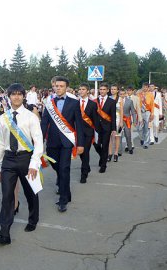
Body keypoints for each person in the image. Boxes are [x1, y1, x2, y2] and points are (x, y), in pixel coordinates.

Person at [0, 83, 43, 246]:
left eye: (19, 94)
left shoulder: (31, 117)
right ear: (9, 97)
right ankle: (4, 232)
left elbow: (38, 143)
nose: (16, 97)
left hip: (26, 159)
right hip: (8, 160)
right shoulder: (3, 118)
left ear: (23, 96)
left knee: (30, 192)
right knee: (7, 196)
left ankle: (33, 219)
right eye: (13, 94)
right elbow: (0, 144)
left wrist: (34, 164)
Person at [41, 76, 84, 212]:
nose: (58, 88)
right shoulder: (49, 102)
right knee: (56, 165)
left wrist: (80, 144)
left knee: (64, 168)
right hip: (52, 141)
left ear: (67, 88)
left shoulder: (74, 102)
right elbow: (44, 122)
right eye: (56, 86)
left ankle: (63, 199)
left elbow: (79, 125)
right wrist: (39, 140)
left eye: (61, 86)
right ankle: (65, 187)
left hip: (67, 142)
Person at [93, 83, 116, 173]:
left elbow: (113, 116)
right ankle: (103, 157)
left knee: (105, 146)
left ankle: (103, 165)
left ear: (107, 90)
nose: (102, 91)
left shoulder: (112, 102)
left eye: (104, 89)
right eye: (100, 89)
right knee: (96, 145)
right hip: (96, 127)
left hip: (107, 127)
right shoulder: (95, 101)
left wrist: (114, 129)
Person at [78, 83, 99, 183]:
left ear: (87, 91)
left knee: (85, 152)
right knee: (80, 152)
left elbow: (95, 120)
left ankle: (84, 174)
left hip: (88, 132)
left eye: (83, 89)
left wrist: (98, 132)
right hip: (77, 132)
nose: (81, 91)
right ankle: (87, 166)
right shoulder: (75, 103)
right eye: (80, 89)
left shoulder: (93, 104)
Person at [107, 84, 123, 162]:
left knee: (117, 137)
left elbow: (121, 111)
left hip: (117, 119)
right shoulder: (108, 98)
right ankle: (110, 153)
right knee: (110, 137)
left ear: (117, 90)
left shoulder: (120, 99)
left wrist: (121, 122)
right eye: (111, 89)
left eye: (114, 89)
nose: (112, 90)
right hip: (109, 120)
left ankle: (116, 153)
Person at [119, 88, 136, 155]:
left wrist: (134, 120)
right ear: (119, 94)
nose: (122, 95)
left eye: (123, 94)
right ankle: (119, 151)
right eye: (121, 94)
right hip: (119, 120)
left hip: (127, 120)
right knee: (119, 136)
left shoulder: (129, 101)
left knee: (128, 135)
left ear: (125, 94)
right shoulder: (116, 101)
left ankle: (130, 148)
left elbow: (133, 112)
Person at [137, 82, 155, 149]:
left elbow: (152, 105)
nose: (145, 88)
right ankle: (141, 138)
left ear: (148, 88)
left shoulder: (150, 95)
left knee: (146, 128)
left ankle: (146, 143)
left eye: (146, 87)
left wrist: (152, 114)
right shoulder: (138, 94)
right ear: (142, 87)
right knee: (139, 128)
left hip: (147, 112)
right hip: (140, 112)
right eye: (143, 87)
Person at [126, 86, 142, 151]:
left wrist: (140, 118)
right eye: (127, 90)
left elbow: (138, 109)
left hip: (132, 117)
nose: (128, 92)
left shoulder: (136, 98)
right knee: (126, 133)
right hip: (125, 117)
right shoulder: (124, 97)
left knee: (130, 132)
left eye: (130, 90)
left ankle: (130, 145)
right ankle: (128, 145)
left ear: (132, 91)